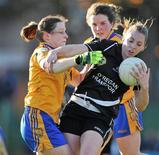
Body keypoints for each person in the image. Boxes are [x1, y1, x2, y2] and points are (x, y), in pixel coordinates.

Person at [47, 13, 150, 155]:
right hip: (76, 107)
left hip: (101, 116)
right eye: (130, 40)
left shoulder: (138, 68)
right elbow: (78, 49)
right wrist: (56, 52)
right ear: (124, 36)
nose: (133, 46)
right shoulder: (108, 46)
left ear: (144, 47)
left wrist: (144, 87)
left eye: (139, 44)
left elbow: (140, 106)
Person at [20, 15, 104, 155]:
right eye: (61, 32)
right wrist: (79, 58)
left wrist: (90, 59)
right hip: (38, 116)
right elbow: (50, 67)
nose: (66, 35)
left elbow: (79, 81)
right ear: (47, 36)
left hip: (50, 120)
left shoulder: (63, 60)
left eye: (65, 31)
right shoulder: (41, 51)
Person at [84, 2, 150, 155]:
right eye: (94, 24)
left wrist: (144, 87)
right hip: (97, 105)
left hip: (123, 108)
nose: (98, 28)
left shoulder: (135, 64)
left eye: (103, 23)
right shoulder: (90, 45)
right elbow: (82, 78)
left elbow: (140, 105)